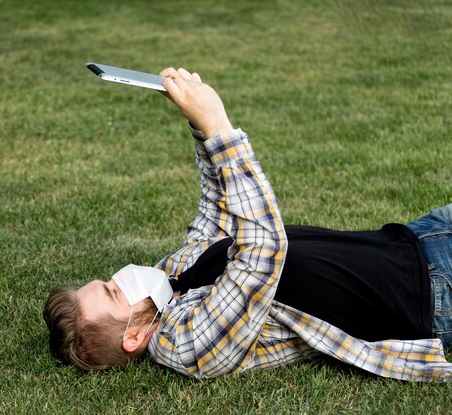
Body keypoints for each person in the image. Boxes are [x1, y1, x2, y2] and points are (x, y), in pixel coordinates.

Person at [44, 67, 452, 381]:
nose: (123, 277)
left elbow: (216, 217)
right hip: (431, 294)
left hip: (414, 238)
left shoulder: (170, 283)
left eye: (108, 279)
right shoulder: (184, 345)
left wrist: (200, 127)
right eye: (115, 292)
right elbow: (261, 253)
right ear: (132, 338)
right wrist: (220, 127)